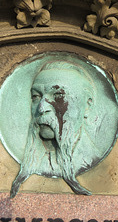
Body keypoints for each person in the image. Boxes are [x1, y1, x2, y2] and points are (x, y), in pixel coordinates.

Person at [10, 61, 101, 198]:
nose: (41, 108)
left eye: (58, 96)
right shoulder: (27, 154)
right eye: (36, 96)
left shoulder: (91, 157)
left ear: (87, 106)